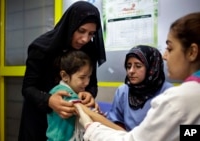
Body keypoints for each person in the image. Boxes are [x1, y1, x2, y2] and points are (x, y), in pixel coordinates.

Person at [75, 12, 200, 141]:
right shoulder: (123, 91)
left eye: (170, 48)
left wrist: (89, 123)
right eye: (128, 66)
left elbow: (135, 139)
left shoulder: (174, 97)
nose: (165, 56)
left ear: (192, 52)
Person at [18, 1, 106, 140]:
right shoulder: (41, 48)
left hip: (69, 123)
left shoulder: (89, 49)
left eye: (91, 34)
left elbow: (92, 83)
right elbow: (28, 88)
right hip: (39, 119)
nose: (85, 39)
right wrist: (49, 100)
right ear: (70, 25)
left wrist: (89, 94)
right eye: (81, 31)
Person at [107, 45, 173, 131]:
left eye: (138, 66)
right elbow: (115, 120)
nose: (131, 71)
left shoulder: (167, 91)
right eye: (128, 66)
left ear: (152, 68)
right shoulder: (123, 90)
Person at [47, 50, 93, 141]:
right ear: (65, 76)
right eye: (82, 77)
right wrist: (95, 112)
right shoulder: (62, 93)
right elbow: (83, 111)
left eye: (89, 77)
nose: (87, 82)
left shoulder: (70, 91)